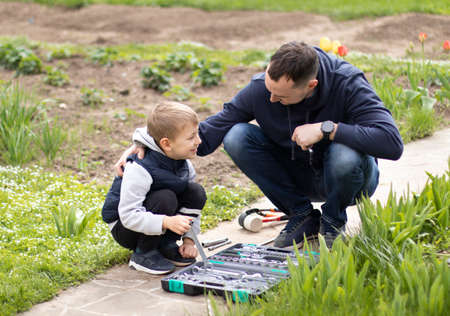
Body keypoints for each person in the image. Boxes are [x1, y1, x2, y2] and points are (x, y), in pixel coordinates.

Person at [116, 41, 403, 250]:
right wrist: (147, 140)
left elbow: (391, 143)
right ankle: (301, 216)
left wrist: (326, 130)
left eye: (281, 97)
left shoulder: (347, 83)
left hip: (351, 180)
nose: (271, 101)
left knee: (343, 150)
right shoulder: (262, 90)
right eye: (269, 90)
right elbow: (210, 131)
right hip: (298, 177)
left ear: (311, 86)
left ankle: (332, 221)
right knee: (237, 135)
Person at [103, 101, 205, 274]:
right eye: (191, 137)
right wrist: (166, 221)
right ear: (166, 144)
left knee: (195, 192)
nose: (199, 141)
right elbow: (128, 215)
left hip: (157, 219)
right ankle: (144, 253)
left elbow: (191, 207)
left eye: (197, 134)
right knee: (165, 197)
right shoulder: (140, 167)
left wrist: (189, 240)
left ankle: (166, 245)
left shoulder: (185, 164)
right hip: (125, 228)